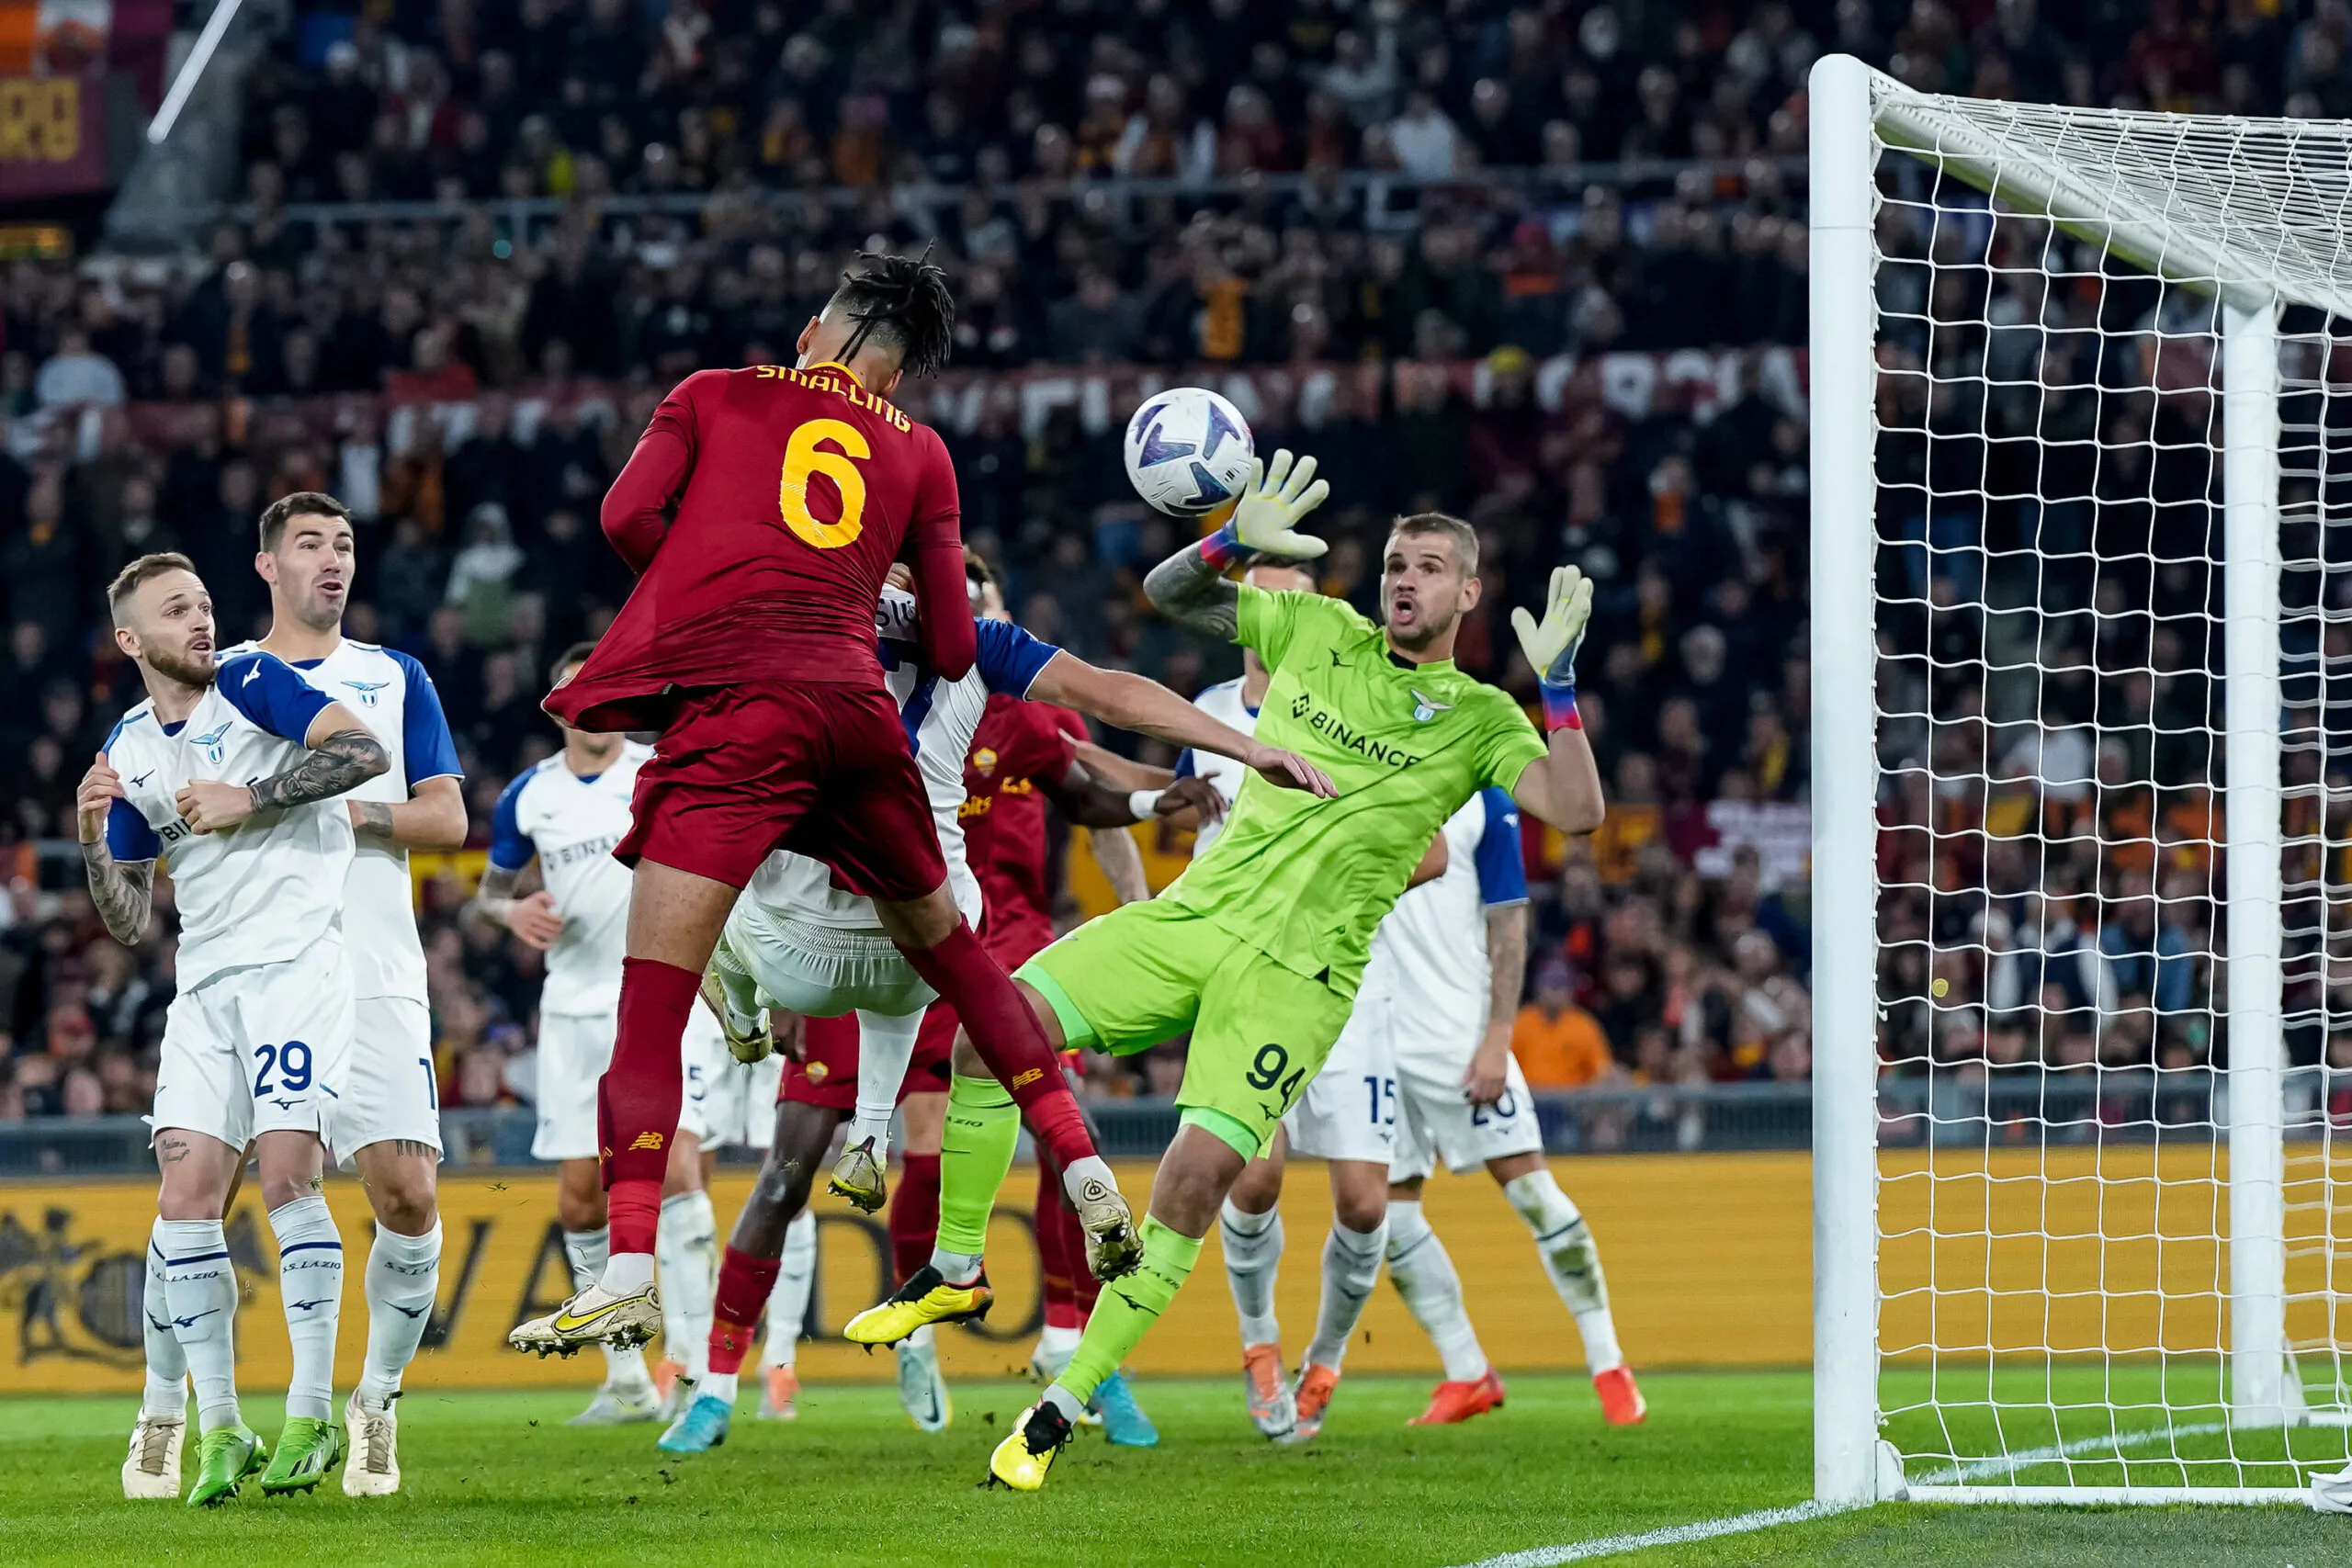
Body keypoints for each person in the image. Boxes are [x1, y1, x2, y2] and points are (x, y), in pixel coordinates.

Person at [514, 254, 1328, 1353]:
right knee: (963, 968)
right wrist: (1241, 744)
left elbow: (625, 518)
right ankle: (1077, 1170)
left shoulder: (711, 392)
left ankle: (634, 1273)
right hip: (872, 780)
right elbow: (1001, 664)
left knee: (661, 987)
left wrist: (720, 579)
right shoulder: (920, 465)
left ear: (811, 331)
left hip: (771, 819)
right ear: (894, 385)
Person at [879, 452, 1608, 1493]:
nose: (1406, 580)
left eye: (1431, 567)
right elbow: (1167, 595)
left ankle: (1058, 1407)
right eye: (1397, 562)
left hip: (1296, 981)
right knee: (992, 1028)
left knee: (1194, 1181)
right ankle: (955, 1268)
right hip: (1194, 918)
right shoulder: (1317, 630)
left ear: (1468, 592)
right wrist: (1228, 542)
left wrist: (1562, 689)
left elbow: (1574, 811)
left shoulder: (1481, 715)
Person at [654, 558, 1256, 1456]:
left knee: (1007, 1135)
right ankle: (720, 1386)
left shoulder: (1010, 701)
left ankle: (1084, 1360)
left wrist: (1143, 841)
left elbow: (1085, 791)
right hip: (842, 939)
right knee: (788, 1171)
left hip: (990, 955)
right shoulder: (836, 680)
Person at [82, 553, 390, 1506]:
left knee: (289, 1169)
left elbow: (364, 753)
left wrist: (248, 798)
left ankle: (309, 1412)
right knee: (184, 1200)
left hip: (298, 964)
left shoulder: (254, 682)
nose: (202, 621)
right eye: (177, 612)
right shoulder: (129, 747)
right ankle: (221, 1429)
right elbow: (129, 921)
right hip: (205, 986)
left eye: (206, 604)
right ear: (132, 641)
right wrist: (95, 834)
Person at [226, 492, 467, 1495]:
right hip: (262, 973)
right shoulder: (230, 682)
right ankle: (208, 1414)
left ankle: (377, 1400)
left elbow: (447, 818)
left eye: (346, 545)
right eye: (311, 545)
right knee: (227, 1186)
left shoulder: (393, 676)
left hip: (374, 968)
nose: (333, 560)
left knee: (407, 1194)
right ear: (268, 566)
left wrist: (347, 809)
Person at [468, 642, 757, 1428]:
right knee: (577, 1193)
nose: (590, 699)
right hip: (572, 1010)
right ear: (556, 701)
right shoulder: (528, 796)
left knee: (678, 1166)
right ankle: (628, 1377)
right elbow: (487, 894)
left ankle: (697, 1370)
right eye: (575, 688)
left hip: (669, 997)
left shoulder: (656, 769)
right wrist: (509, 911)